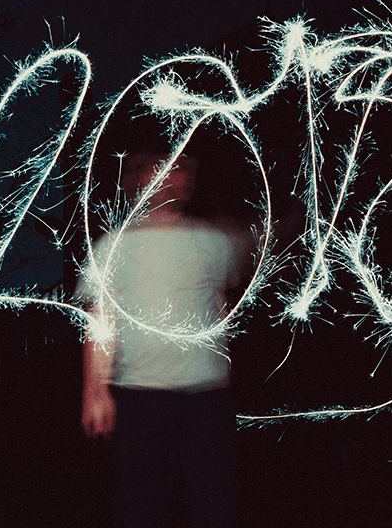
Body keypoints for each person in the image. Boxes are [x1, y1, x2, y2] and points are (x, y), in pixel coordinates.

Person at [77, 151, 246, 528]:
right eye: (159, 174)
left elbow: (218, 303)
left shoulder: (211, 240)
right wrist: (95, 392)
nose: (170, 181)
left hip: (205, 396)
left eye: (178, 173)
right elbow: (102, 321)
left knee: (213, 506)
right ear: (138, 183)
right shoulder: (113, 246)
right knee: (140, 507)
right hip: (140, 395)